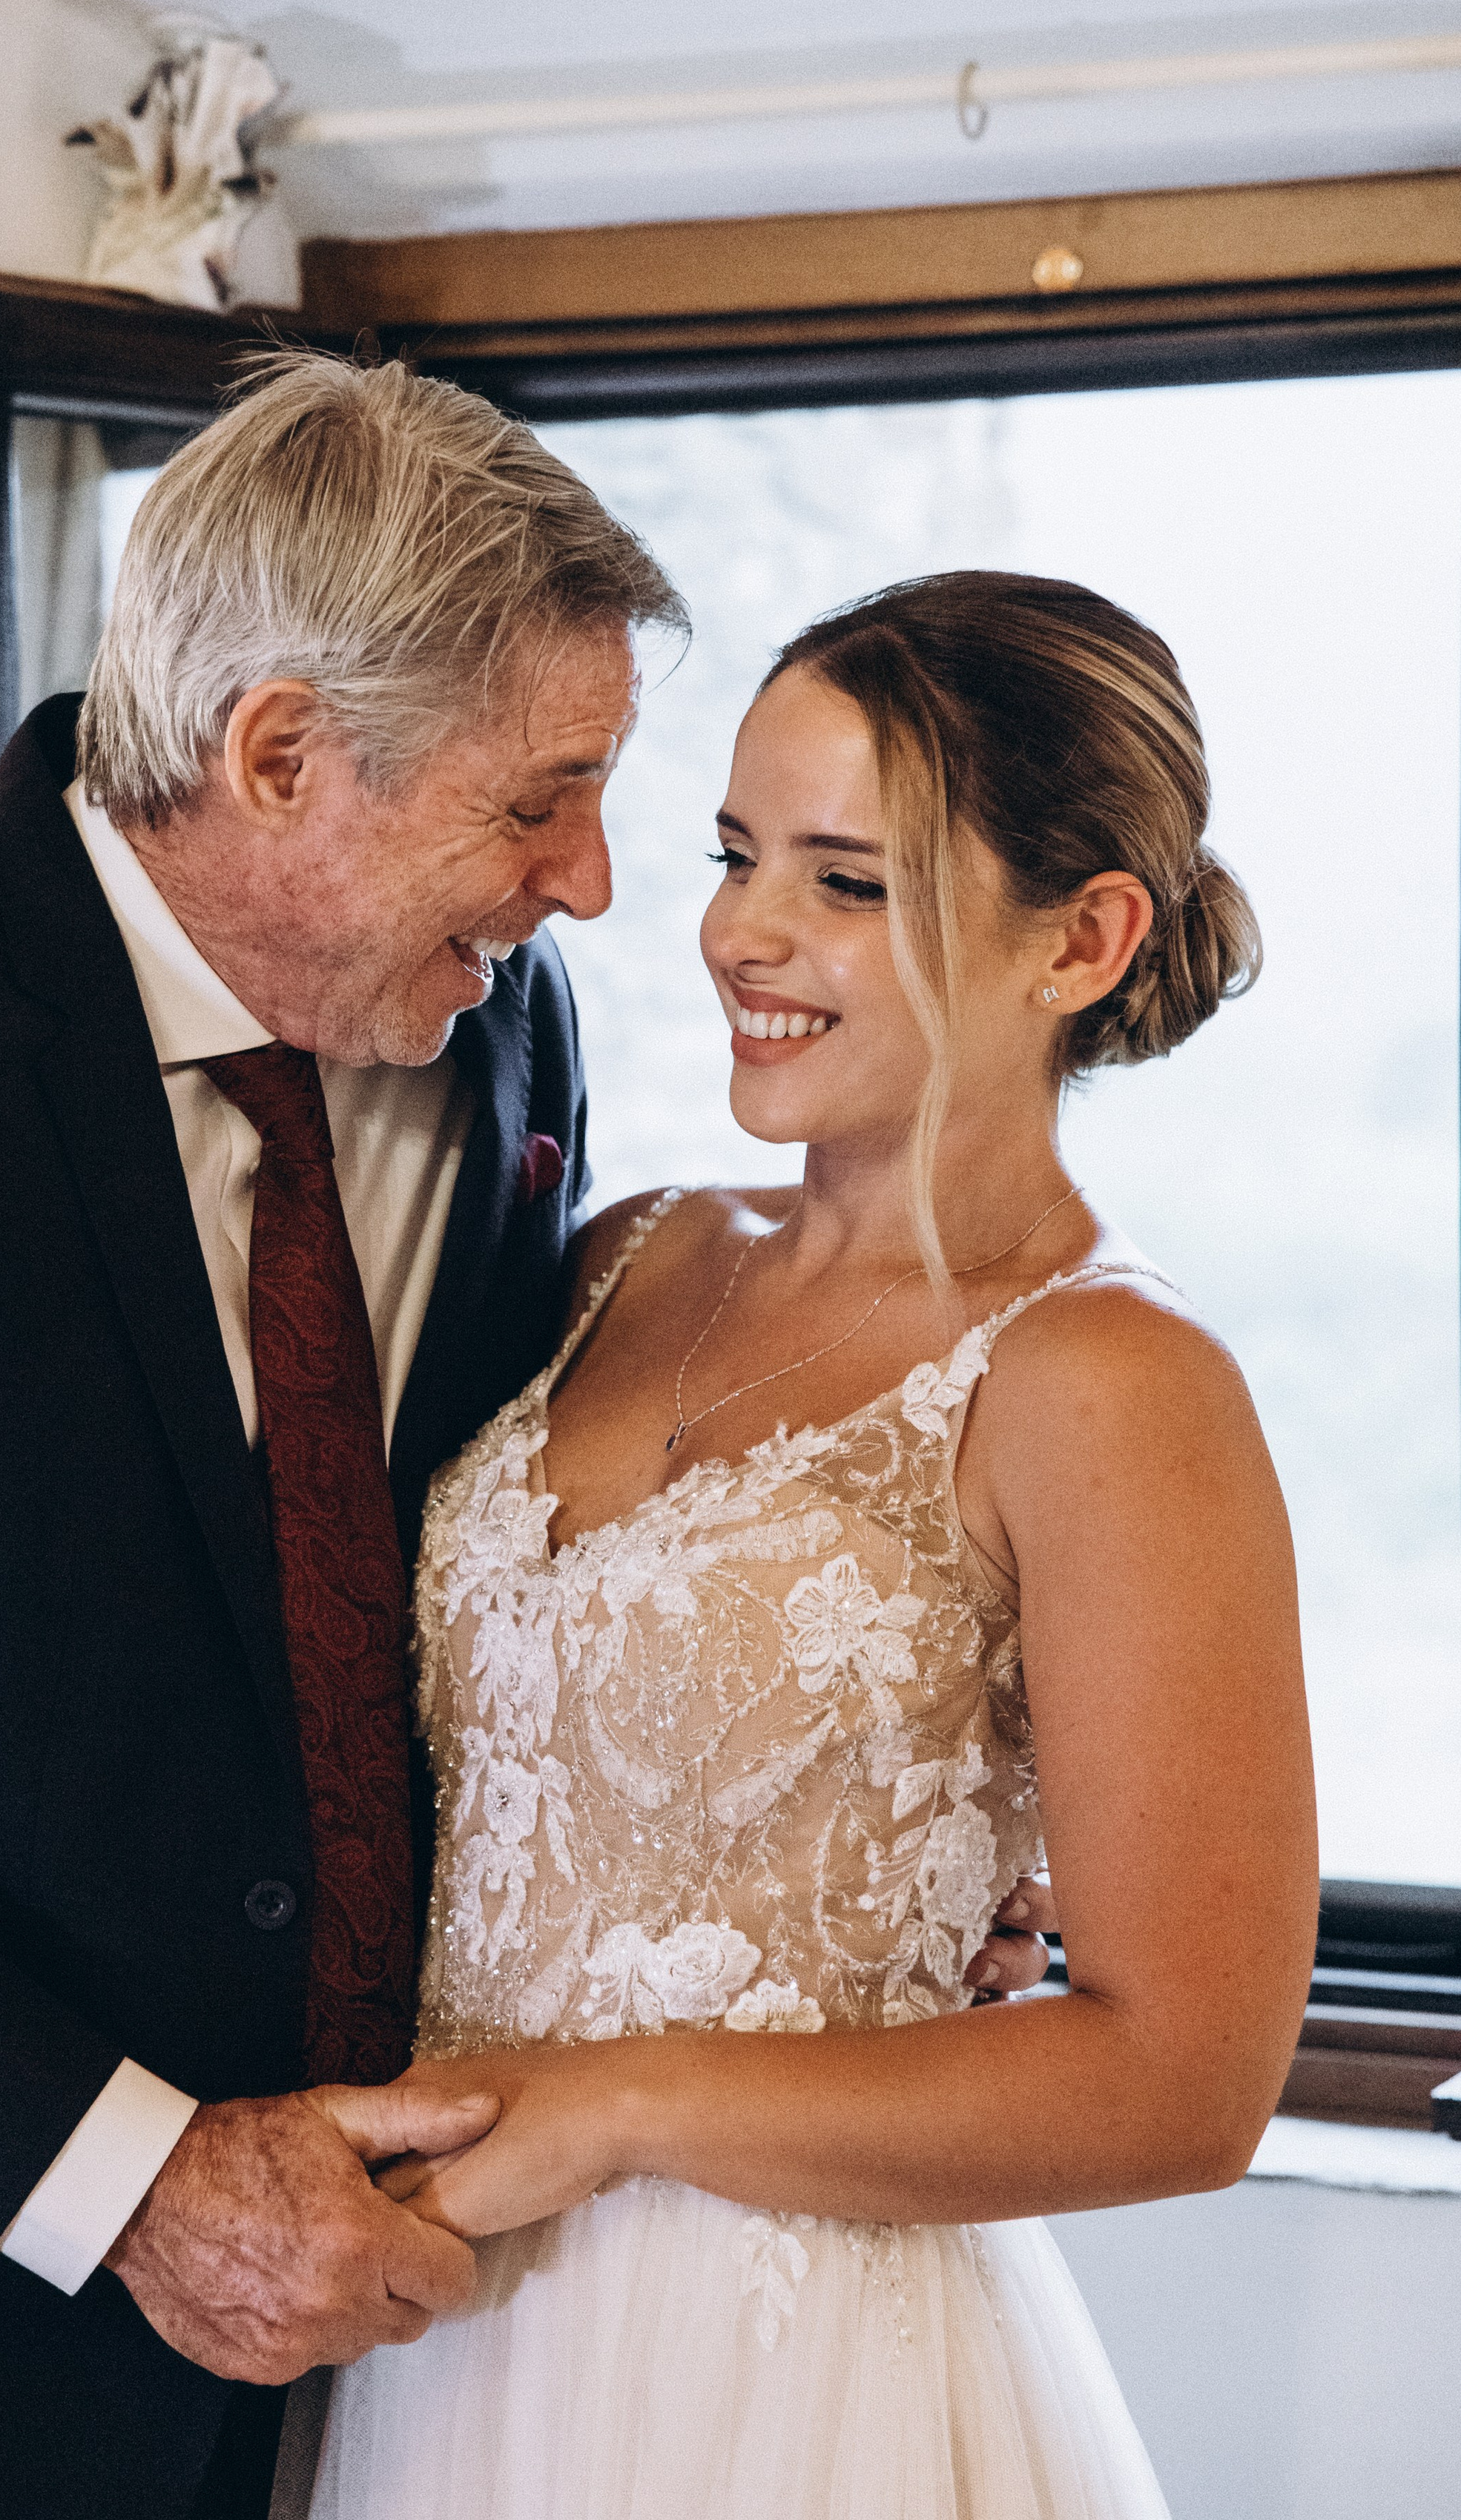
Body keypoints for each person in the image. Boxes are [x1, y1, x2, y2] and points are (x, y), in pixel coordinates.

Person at [0, 360, 1053, 2520]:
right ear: (280, 755)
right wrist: (136, 2182)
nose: (594, 885)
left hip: (390, 2378)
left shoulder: (488, 1022)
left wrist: (846, 1855)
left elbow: (491, 1574)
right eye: (539, 797)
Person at [309, 573, 1319, 2520]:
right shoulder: (624, 1260)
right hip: (437, 2345)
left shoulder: (1109, 1379)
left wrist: (618, 2109)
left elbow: (1187, 2078)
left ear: (1084, 939)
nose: (738, 933)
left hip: (778, 2377)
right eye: (735, 853)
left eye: (847, 882)